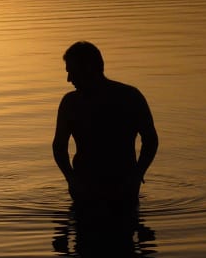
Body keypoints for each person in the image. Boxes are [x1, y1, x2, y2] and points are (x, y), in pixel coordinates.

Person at [52, 41, 159, 217]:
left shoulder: (129, 97)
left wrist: (137, 175)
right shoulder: (71, 103)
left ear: (88, 68)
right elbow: (59, 147)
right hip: (86, 188)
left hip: (122, 188)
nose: (69, 79)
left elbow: (150, 140)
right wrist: (71, 179)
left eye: (72, 71)